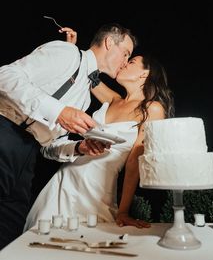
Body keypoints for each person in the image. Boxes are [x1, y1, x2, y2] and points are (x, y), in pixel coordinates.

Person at [0, 22, 137, 249]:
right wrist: (59, 111)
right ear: (109, 42)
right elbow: (4, 75)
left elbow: (49, 146)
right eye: (126, 54)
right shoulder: (67, 53)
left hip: (27, 156)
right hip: (4, 132)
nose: (125, 62)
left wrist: (78, 148)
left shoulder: (84, 96)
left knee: (10, 234)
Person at [23, 28, 174, 231]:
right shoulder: (113, 99)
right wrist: (72, 50)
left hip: (96, 192)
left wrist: (123, 211)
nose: (123, 63)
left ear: (144, 74)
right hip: (64, 180)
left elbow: (134, 163)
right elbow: (86, 70)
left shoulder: (152, 109)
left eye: (130, 62)